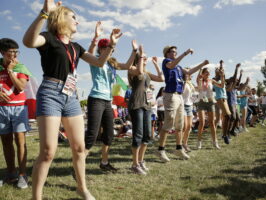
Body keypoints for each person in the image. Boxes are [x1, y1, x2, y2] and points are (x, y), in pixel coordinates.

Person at [23, 1, 122, 199]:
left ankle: (82, 188)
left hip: (71, 96)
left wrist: (111, 44)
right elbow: (28, 42)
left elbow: (99, 61)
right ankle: (37, 197)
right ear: (61, 18)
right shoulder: (48, 38)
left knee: (79, 147)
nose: (77, 20)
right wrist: (44, 13)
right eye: (73, 16)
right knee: (48, 151)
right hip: (50, 92)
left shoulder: (77, 46)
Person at [84, 21, 137, 172]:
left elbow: (127, 66)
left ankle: (104, 163)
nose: (110, 52)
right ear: (101, 50)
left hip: (108, 101)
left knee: (109, 134)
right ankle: (79, 163)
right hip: (96, 99)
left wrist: (134, 52)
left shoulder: (112, 64)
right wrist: (96, 37)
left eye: (111, 50)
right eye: (106, 49)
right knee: (92, 135)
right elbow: (89, 51)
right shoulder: (95, 61)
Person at [156, 45, 209, 162]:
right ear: (167, 53)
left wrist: (202, 64)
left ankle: (179, 149)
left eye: (176, 52)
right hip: (170, 95)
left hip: (179, 96)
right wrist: (185, 53)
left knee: (180, 125)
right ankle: (160, 150)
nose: (174, 53)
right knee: (168, 122)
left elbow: (189, 71)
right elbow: (171, 65)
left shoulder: (178, 66)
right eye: (172, 52)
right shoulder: (167, 61)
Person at [127, 46, 164, 174]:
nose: (146, 60)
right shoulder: (132, 69)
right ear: (138, 59)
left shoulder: (147, 72)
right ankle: (134, 164)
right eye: (144, 58)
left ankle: (141, 161)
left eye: (146, 58)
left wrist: (156, 64)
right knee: (138, 134)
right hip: (136, 105)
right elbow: (140, 74)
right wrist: (141, 54)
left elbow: (161, 79)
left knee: (147, 135)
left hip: (147, 106)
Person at [0, 38, 31, 189]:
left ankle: (22, 174)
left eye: (16, 52)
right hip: (2, 109)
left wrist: (11, 71)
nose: (14, 55)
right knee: (6, 141)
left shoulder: (20, 67)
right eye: (10, 52)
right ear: (2, 52)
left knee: (20, 141)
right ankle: (11, 173)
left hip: (19, 107)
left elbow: (20, 88)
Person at [195, 67, 224, 149]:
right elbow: (199, 86)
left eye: (209, 72)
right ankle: (199, 142)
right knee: (202, 122)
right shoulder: (199, 80)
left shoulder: (211, 81)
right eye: (206, 72)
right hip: (201, 102)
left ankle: (215, 142)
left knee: (211, 122)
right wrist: (200, 70)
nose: (208, 74)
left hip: (210, 102)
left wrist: (222, 76)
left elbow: (221, 86)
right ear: (203, 73)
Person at [213, 60, 231, 144]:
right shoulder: (213, 79)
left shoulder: (221, 77)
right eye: (217, 70)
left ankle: (224, 134)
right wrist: (221, 74)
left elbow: (222, 72)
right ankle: (224, 135)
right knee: (228, 115)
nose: (219, 71)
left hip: (225, 98)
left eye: (219, 70)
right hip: (219, 98)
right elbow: (222, 85)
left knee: (227, 116)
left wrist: (221, 64)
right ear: (215, 72)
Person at [182, 70, 195, 152]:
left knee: (189, 126)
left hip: (190, 105)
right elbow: (181, 91)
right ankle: (180, 145)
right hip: (182, 105)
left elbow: (193, 95)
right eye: (188, 73)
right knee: (184, 126)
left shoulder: (191, 84)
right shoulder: (182, 82)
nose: (190, 75)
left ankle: (185, 143)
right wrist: (184, 81)